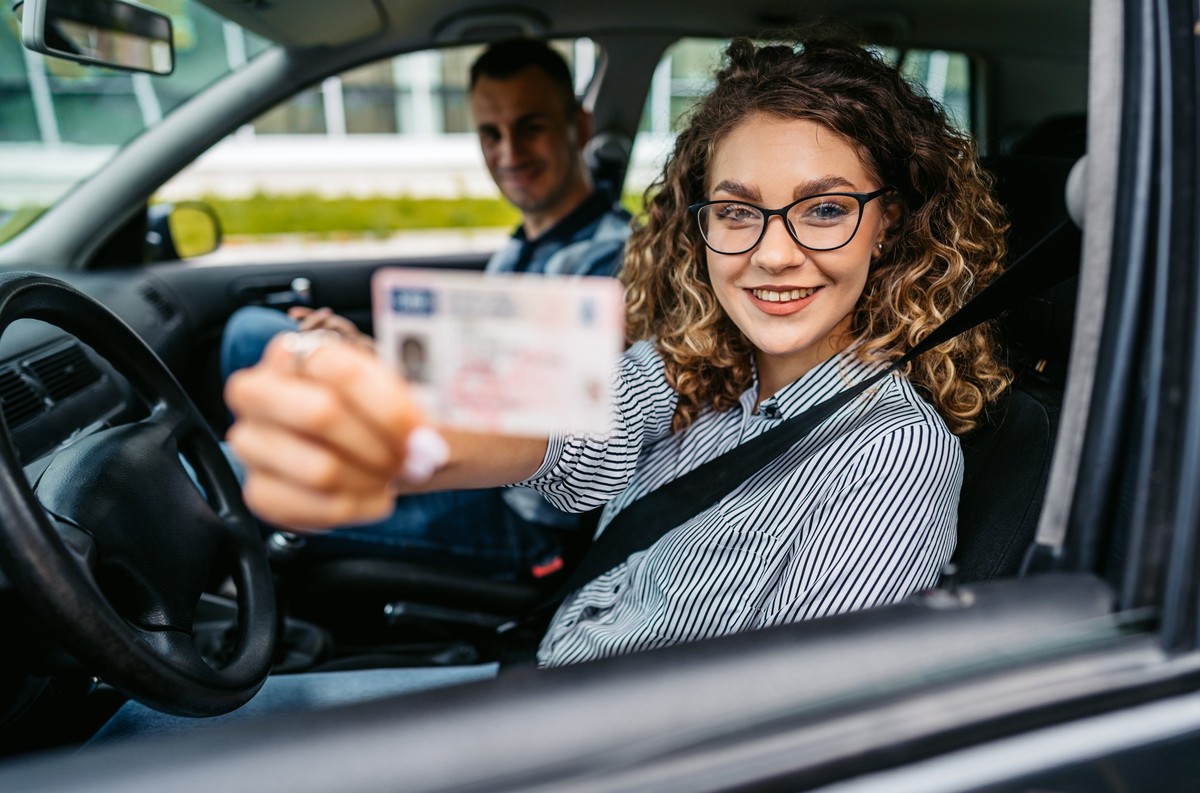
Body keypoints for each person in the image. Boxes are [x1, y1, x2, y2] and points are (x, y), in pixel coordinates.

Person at [91, 34, 1013, 741]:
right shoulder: (697, 364)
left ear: (890, 226)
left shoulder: (891, 455)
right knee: (141, 729)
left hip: (594, 750)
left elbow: (784, 739)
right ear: (702, 227)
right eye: (736, 211)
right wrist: (412, 437)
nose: (772, 251)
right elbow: (576, 442)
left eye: (823, 208)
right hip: (536, 679)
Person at [219, 37, 632, 580]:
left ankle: (235, 561)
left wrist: (381, 375)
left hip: (522, 514)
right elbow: (482, 377)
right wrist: (373, 356)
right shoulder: (519, 248)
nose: (509, 154)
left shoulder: (615, 265)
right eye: (491, 133)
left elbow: (559, 422)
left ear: (577, 128)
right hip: (468, 463)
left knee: (229, 474)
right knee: (255, 332)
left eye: (530, 127)